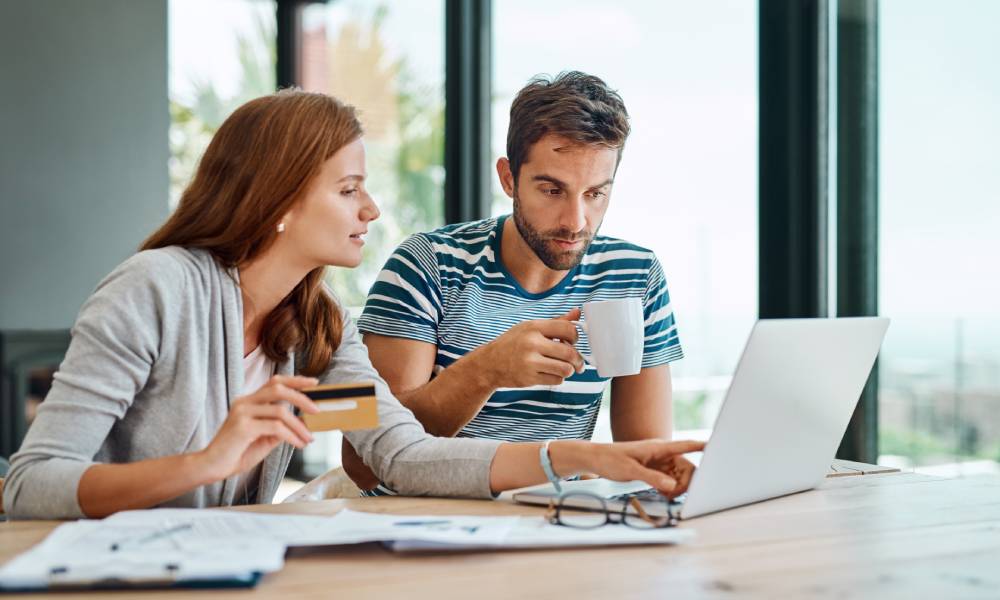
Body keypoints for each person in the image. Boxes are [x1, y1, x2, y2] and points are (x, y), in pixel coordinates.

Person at [2, 90, 702, 520]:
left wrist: (596, 461)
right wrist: (207, 462)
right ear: (277, 200)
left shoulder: (316, 328)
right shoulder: (153, 291)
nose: (371, 207)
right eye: (348, 189)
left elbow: (400, 456)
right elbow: (31, 485)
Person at [344, 72, 684, 494]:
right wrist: (487, 371)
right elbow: (361, 461)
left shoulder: (633, 274)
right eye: (552, 190)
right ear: (508, 179)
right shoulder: (427, 265)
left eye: (596, 194)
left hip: (558, 524)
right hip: (427, 524)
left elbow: (644, 459)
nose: (576, 222)